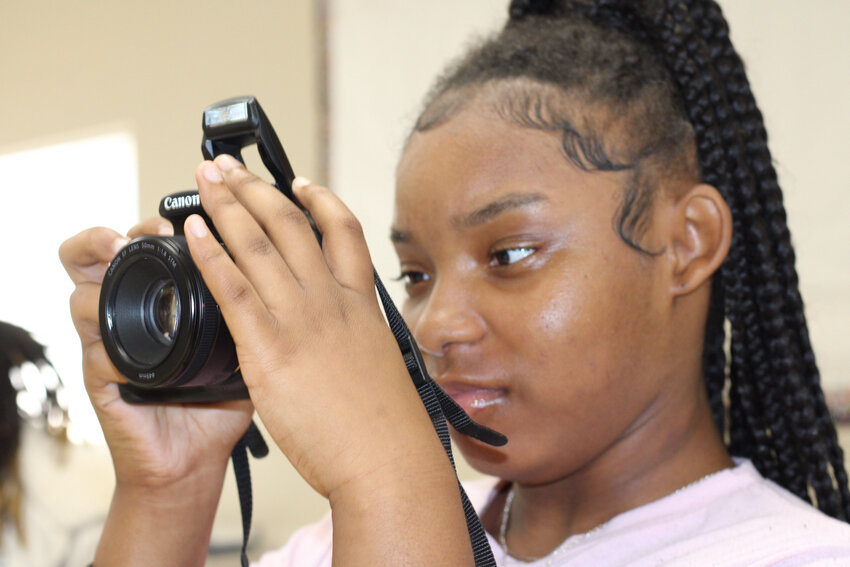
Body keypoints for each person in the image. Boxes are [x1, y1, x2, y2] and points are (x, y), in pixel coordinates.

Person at [59, 0, 850, 565]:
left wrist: (386, 473)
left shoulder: (798, 554)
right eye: (414, 273)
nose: (436, 325)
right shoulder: (337, 540)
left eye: (509, 255)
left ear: (686, 242)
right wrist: (169, 489)